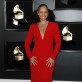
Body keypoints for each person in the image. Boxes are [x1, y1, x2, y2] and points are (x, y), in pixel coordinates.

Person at [24, 4, 61, 82]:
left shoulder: (54, 25)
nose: (43, 14)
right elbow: (27, 43)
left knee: (47, 79)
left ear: (48, 13)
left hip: (48, 60)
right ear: (38, 13)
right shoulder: (33, 27)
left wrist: (53, 57)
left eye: (45, 12)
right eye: (41, 12)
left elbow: (58, 43)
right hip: (35, 60)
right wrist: (30, 56)